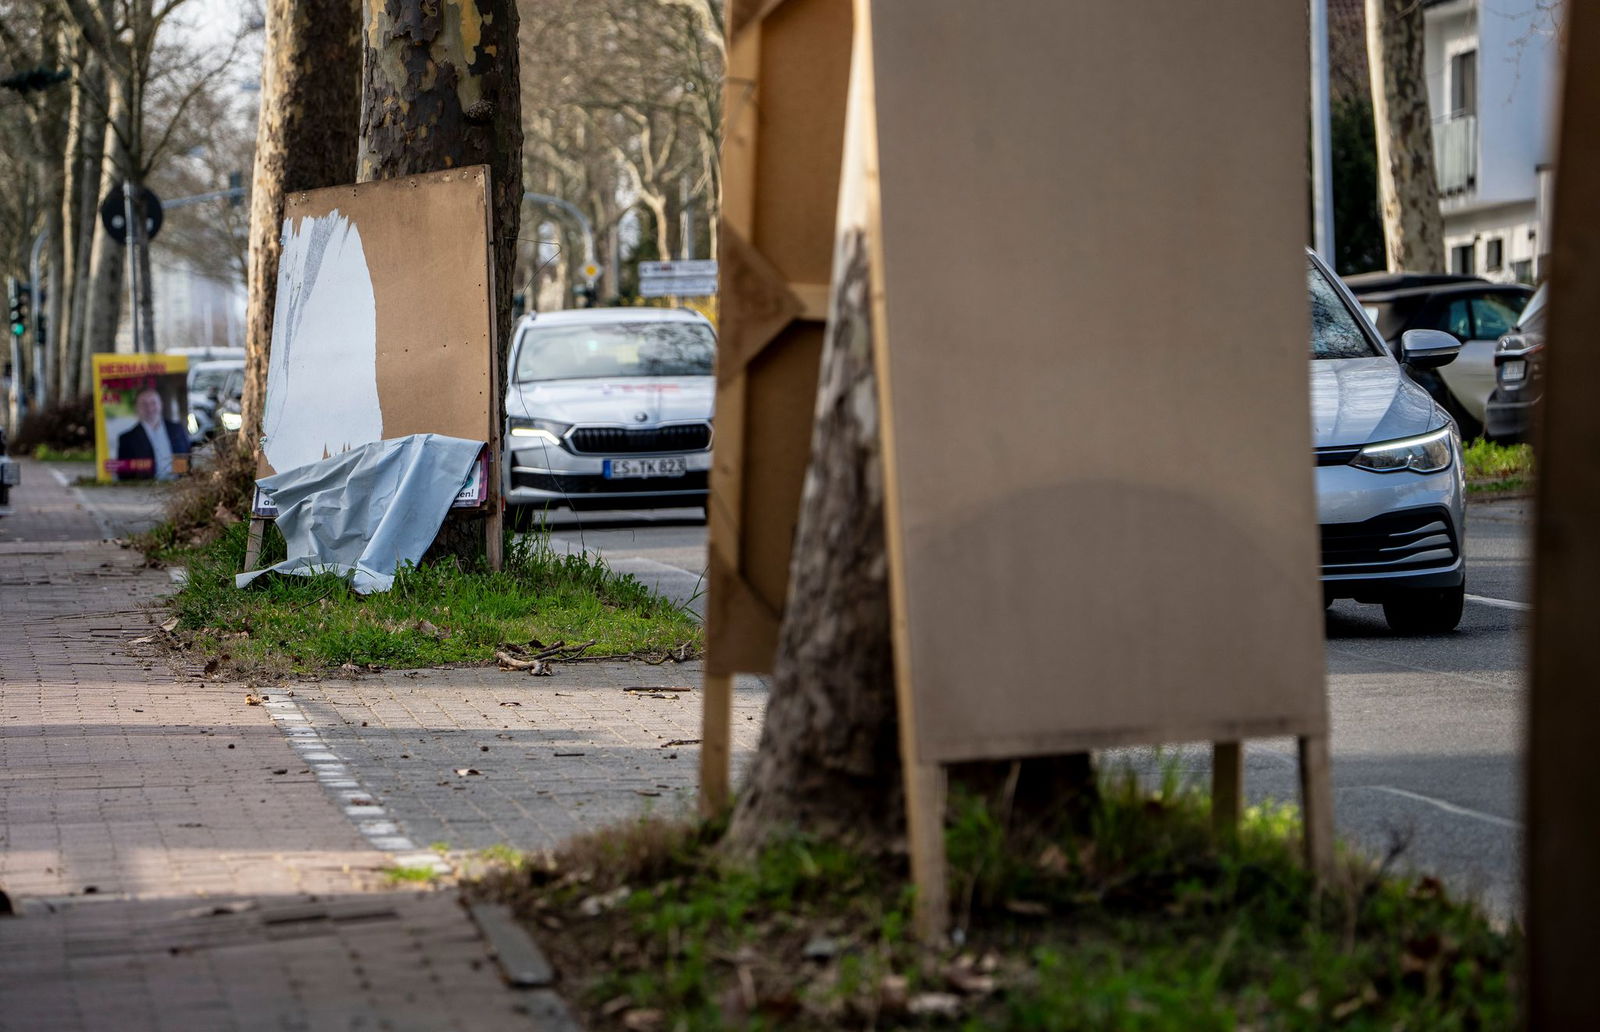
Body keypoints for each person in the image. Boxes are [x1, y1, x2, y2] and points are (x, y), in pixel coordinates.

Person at [115, 386, 190, 481]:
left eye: (153, 403)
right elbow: (124, 473)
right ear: (136, 408)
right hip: (145, 490)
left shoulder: (176, 429)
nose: (149, 408)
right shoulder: (127, 439)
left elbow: (186, 458)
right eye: (143, 404)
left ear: (161, 404)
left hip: (177, 487)